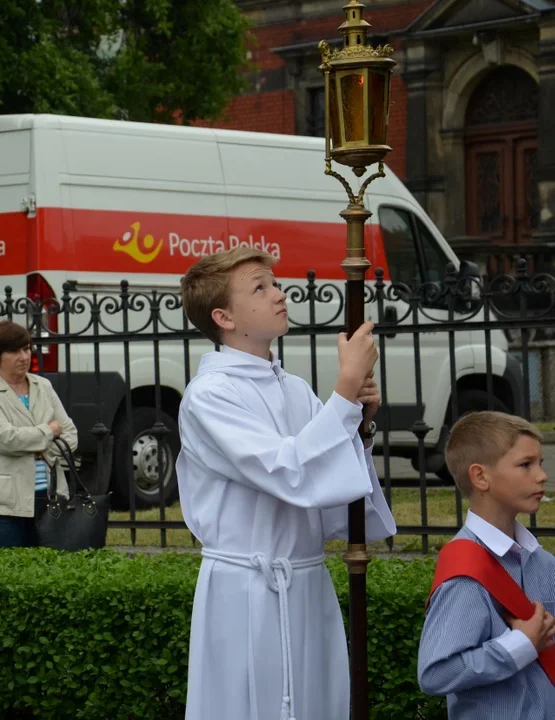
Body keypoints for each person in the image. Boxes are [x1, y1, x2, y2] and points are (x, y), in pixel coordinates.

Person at [176, 246, 396, 720]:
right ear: (224, 317)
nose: (279, 293)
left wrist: (359, 426)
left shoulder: (293, 389)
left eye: (274, 283)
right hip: (246, 589)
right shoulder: (209, 396)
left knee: (319, 702)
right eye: (261, 287)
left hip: (306, 582)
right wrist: (343, 393)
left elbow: (330, 489)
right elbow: (287, 470)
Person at [418, 411, 555, 718]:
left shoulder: (543, 563)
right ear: (480, 477)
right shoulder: (465, 573)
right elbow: (436, 674)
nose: (542, 475)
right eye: (525, 465)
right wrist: (519, 645)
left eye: (540, 464)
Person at [0, 320, 76, 548]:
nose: (24, 356)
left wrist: (33, 442)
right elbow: (7, 440)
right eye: (15, 351)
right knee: (6, 577)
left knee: (51, 574)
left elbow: (70, 435)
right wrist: (49, 431)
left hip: (50, 497)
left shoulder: (44, 386)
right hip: (2, 505)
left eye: (27, 349)